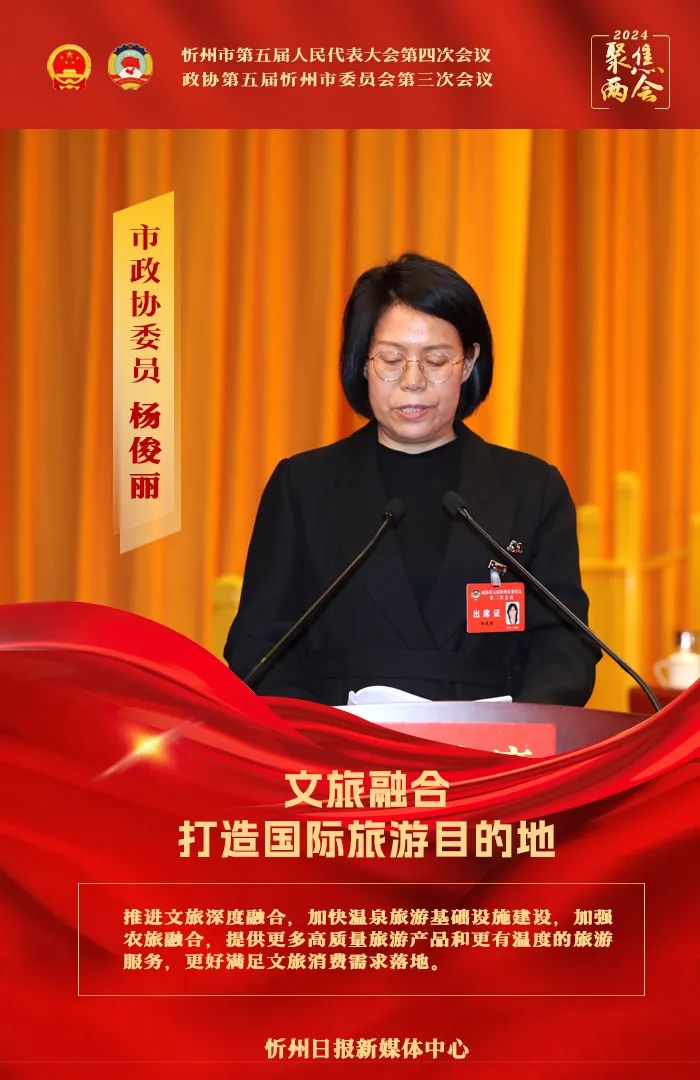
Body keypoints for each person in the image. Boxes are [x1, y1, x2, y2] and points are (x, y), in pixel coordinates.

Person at [224, 253, 600, 705]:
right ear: (363, 364)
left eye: (436, 360)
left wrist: (519, 728)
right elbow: (259, 646)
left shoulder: (531, 489)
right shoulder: (303, 487)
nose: (413, 381)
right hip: (338, 738)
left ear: (468, 363)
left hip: (494, 739)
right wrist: (320, 730)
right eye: (391, 359)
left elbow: (564, 646)